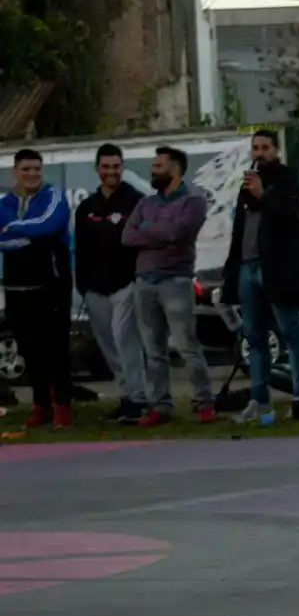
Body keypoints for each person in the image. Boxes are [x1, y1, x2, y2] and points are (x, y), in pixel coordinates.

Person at [220, 131, 299, 425]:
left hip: (277, 268)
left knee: (291, 331)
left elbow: (296, 218)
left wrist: (265, 195)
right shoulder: (246, 186)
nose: (259, 153)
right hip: (247, 267)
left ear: (277, 151)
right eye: (255, 148)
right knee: (255, 338)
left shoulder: (289, 181)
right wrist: (232, 270)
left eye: (265, 148)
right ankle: (259, 402)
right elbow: (240, 231)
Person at [123, 146, 217, 426]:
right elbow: (127, 237)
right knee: (153, 350)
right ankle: (160, 406)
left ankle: (205, 403)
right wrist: (159, 234)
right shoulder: (145, 204)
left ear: (175, 169)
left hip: (176, 280)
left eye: (158, 166)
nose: (153, 170)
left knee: (187, 345)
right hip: (144, 282)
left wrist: (148, 230)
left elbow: (178, 233)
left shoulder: (193, 202)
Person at [74, 144, 148, 423]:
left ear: (122, 167)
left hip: (125, 285)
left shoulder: (136, 201)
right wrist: (82, 285)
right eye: (105, 167)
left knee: (126, 341)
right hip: (94, 288)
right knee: (108, 345)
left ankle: (138, 400)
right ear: (97, 169)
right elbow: (79, 249)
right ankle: (126, 396)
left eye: (115, 166)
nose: (111, 172)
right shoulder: (87, 207)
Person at [0, 149, 74, 429]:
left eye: (37, 169)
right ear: (15, 172)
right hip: (17, 288)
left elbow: (49, 225)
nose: (32, 175)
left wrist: (11, 229)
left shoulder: (53, 196)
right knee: (29, 350)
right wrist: (23, 237)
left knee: (55, 348)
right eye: (26, 169)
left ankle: (63, 408)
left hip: (51, 285)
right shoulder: (5, 202)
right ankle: (41, 405)